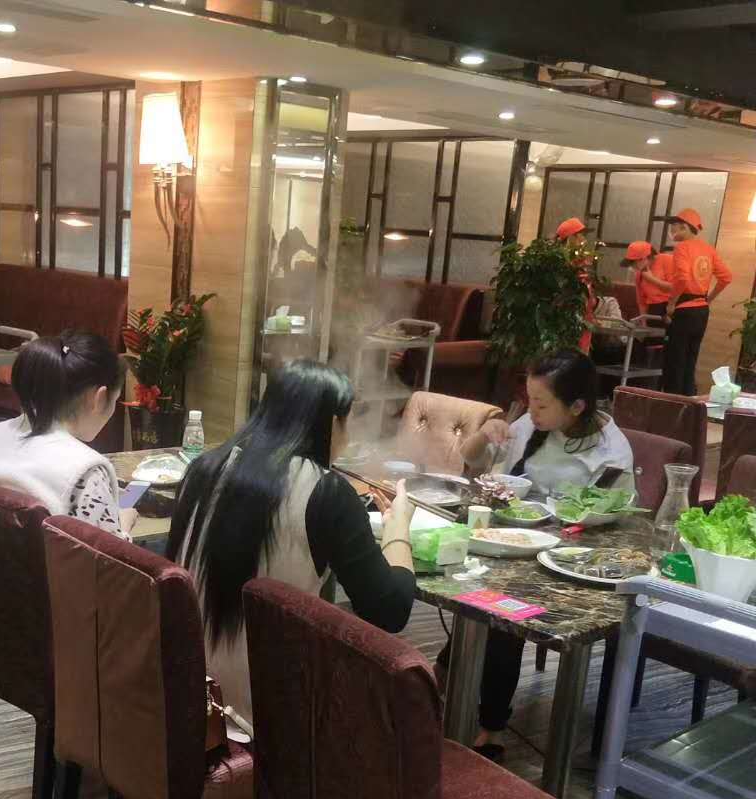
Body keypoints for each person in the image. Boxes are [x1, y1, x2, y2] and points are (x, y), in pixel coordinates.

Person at [166, 360, 416, 739]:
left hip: (186, 692)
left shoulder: (203, 468)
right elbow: (391, 610)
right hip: (268, 712)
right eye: (347, 422)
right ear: (332, 422)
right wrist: (398, 529)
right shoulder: (326, 492)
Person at [442, 351, 634, 759]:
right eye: (530, 399)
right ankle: (448, 677)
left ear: (577, 406)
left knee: (502, 607)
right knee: (469, 585)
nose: (532, 411)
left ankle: (490, 724)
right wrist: (486, 433)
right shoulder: (534, 422)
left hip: (570, 561)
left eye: (542, 404)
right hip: (516, 542)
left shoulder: (611, 453)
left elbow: (611, 523)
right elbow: (474, 460)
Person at [0, 331, 137, 538]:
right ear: (99, 398)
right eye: (115, 400)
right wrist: (124, 524)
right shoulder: (86, 470)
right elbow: (107, 554)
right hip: (46, 560)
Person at [663, 208, 733, 396]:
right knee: (690, 361)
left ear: (684, 227)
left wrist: (671, 303)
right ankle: (689, 404)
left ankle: (671, 405)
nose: (671, 231)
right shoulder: (708, 249)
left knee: (675, 361)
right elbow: (726, 277)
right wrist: (708, 299)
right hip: (701, 312)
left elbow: (682, 279)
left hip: (684, 311)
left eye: (674, 226)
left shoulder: (682, 248)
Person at [556, 217, 595, 355]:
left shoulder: (582, 261)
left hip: (584, 315)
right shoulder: (563, 262)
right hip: (571, 316)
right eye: (580, 236)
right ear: (570, 238)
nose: (584, 240)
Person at [621, 240, 673, 321]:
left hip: (671, 308)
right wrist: (644, 322)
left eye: (633, 263)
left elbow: (675, 288)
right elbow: (641, 302)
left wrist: (651, 279)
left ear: (643, 259)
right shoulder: (639, 274)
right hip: (653, 311)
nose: (633, 267)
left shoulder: (667, 260)